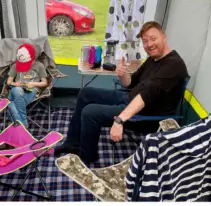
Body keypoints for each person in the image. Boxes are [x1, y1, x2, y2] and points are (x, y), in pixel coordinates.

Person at [54, 21, 189, 165]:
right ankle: (72, 142)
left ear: (164, 37)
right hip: (130, 99)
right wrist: (122, 74)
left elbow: (145, 96)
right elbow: (130, 83)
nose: (149, 44)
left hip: (145, 115)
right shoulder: (153, 59)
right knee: (86, 93)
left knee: (90, 112)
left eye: (153, 38)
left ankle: (88, 156)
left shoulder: (173, 66)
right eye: (145, 41)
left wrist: (119, 120)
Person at [6, 43, 48, 128]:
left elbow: (45, 83)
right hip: (17, 89)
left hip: (32, 90)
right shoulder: (16, 65)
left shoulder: (39, 66)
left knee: (10, 105)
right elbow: (8, 82)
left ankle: (19, 124)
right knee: (17, 90)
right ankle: (24, 123)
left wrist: (33, 84)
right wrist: (15, 84)